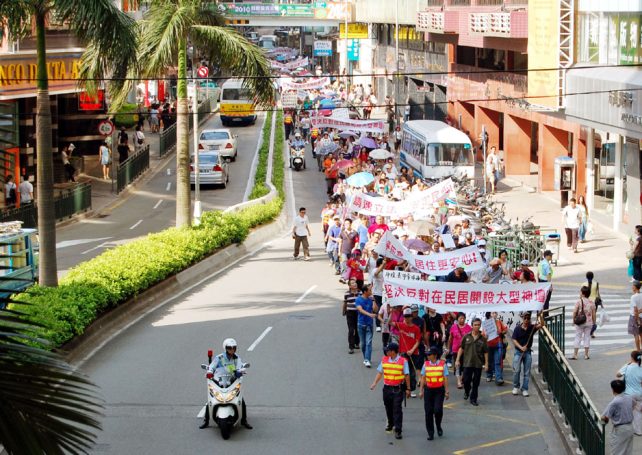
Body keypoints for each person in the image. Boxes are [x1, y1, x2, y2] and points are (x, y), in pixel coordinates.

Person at [199, 338, 253, 430]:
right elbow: (211, 367)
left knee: (241, 400)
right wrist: (209, 372)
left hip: (232, 382)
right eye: (229, 348)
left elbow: (241, 367)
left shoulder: (237, 358)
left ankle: (244, 421)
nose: (232, 350)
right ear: (225, 348)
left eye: (233, 348)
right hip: (219, 382)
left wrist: (240, 371)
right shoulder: (219, 358)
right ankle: (206, 420)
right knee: (211, 400)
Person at [369, 342, 410, 440]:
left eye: (388, 350)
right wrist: (374, 383)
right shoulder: (384, 360)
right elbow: (380, 372)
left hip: (397, 389)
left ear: (393, 352)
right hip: (387, 388)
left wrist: (408, 388)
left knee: (397, 409)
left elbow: (407, 375)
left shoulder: (403, 361)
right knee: (388, 407)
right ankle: (391, 423)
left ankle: (398, 430)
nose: (386, 351)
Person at [455, 318, 488, 406]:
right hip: (467, 363)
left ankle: (473, 399)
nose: (477, 326)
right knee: (466, 380)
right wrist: (457, 360)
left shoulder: (483, 338)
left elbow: (486, 352)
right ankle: (467, 391)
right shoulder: (466, 336)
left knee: (476, 382)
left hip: (478, 364)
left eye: (478, 325)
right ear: (472, 325)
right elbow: (461, 348)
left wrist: (487, 364)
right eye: (475, 325)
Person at [418, 346, 449, 441]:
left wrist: (447, 391)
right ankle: (430, 433)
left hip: (439, 390)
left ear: (435, 355)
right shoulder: (425, 364)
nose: (428, 356)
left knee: (438, 410)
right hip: (428, 390)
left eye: (430, 354)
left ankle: (438, 425)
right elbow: (423, 378)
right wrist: (421, 390)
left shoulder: (442, 365)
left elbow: (445, 378)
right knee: (428, 412)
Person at [601, 380, 635, 455]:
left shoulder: (614, 402)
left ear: (613, 390)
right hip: (630, 427)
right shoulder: (629, 397)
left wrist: (604, 420)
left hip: (620, 429)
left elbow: (605, 417)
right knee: (627, 451)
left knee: (617, 451)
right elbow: (633, 404)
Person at [511, 312, 541, 396]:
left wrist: (540, 315)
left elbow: (542, 324)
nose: (526, 320)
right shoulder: (517, 328)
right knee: (517, 370)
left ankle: (525, 388)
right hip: (518, 352)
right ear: (522, 318)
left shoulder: (532, 327)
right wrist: (521, 347)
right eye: (525, 318)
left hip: (527, 352)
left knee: (527, 372)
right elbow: (514, 339)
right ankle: (516, 387)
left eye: (528, 318)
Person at [396, 308, 422, 397]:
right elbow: (389, 322)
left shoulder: (416, 328)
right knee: (403, 372)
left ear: (411, 317)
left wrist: (412, 350)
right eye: (405, 317)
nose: (407, 318)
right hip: (403, 353)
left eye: (408, 316)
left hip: (413, 353)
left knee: (411, 372)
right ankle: (404, 389)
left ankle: (412, 389)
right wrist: (392, 311)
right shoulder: (400, 325)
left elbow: (418, 341)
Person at [356, 284, 378, 368]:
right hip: (361, 324)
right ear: (365, 291)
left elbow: (375, 309)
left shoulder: (370, 299)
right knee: (363, 343)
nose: (371, 291)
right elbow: (360, 310)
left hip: (369, 324)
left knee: (369, 343)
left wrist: (374, 300)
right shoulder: (359, 299)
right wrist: (370, 314)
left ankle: (367, 359)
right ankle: (365, 358)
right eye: (369, 290)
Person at [571, 286, 596, 360]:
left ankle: (575, 354)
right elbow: (594, 313)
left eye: (580, 292)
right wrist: (594, 322)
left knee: (578, 337)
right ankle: (586, 355)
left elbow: (575, 312)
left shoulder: (578, 301)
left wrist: (573, 320)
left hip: (580, 322)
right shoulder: (591, 302)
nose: (580, 293)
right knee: (587, 337)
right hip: (589, 322)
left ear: (583, 294)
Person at [447, 313, 471, 389]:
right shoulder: (453, 327)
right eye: (460, 318)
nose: (462, 320)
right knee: (457, 365)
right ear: (457, 319)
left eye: (463, 318)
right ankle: (458, 381)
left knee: (465, 365)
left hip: (466, 350)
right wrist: (448, 348)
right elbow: (450, 338)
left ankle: (461, 378)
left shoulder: (468, 328)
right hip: (455, 349)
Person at [484, 312, 508, 385]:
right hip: (489, 345)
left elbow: (505, 330)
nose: (494, 314)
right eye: (492, 313)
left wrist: (501, 332)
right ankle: (489, 375)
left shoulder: (499, 322)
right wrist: (486, 336)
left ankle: (499, 378)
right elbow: (483, 335)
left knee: (498, 361)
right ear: (489, 315)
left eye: (495, 313)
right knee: (490, 361)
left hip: (498, 344)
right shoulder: (486, 323)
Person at [343, 278, 361, 354]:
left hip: (358, 313)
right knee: (351, 329)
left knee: (357, 329)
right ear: (350, 286)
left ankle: (357, 343)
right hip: (350, 313)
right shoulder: (347, 294)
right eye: (353, 283)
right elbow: (345, 303)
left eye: (355, 283)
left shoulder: (360, 293)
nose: (355, 284)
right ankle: (351, 347)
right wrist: (344, 310)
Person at [584, 271, 602, 338]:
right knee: (592, 316)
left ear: (586, 277)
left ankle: (587, 331)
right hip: (594, 302)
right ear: (593, 276)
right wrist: (601, 302)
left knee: (586, 316)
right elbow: (598, 293)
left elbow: (582, 294)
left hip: (586, 302)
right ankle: (592, 332)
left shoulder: (583, 284)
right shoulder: (596, 283)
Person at [628, 281, 642, 351]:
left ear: (635, 287)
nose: (632, 287)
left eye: (633, 286)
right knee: (641, 334)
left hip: (634, 317)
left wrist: (637, 320)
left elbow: (635, 310)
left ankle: (638, 350)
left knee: (636, 334)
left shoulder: (633, 297)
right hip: (641, 316)